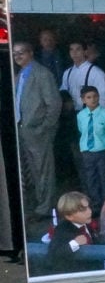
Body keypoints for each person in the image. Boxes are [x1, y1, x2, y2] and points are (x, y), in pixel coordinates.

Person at [13, 41, 62, 228]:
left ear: (31, 52)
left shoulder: (42, 74)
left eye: (21, 53)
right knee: (31, 171)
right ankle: (38, 205)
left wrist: (44, 127)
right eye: (15, 53)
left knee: (44, 171)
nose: (18, 56)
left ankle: (45, 208)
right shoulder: (19, 75)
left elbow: (54, 104)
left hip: (38, 131)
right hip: (23, 129)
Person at [76, 85, 105, 216]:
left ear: (99, 97)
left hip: (103, 151)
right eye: (89, 97)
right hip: (87, 151)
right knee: (91, 178)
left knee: (104, 178)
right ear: (83, 100)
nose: (93, 99)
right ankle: (95, 205)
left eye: (95, 96)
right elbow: (82, 131)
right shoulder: (81, 115)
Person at [46, 192, 100, 274]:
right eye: (83, 210)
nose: (89, 211)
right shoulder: (62, 230)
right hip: (73, 275)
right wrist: (74, 243)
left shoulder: (87, 224)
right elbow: (54, 253)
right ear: (69, 216)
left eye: (88, 207)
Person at [60, 38, 105, 114]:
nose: (74, 53)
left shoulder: (97, 73)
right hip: (71, 116)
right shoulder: (67, 73)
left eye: (78, 49)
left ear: (85, 52)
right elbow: (63, 90)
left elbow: (104, 100)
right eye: (71, 50)